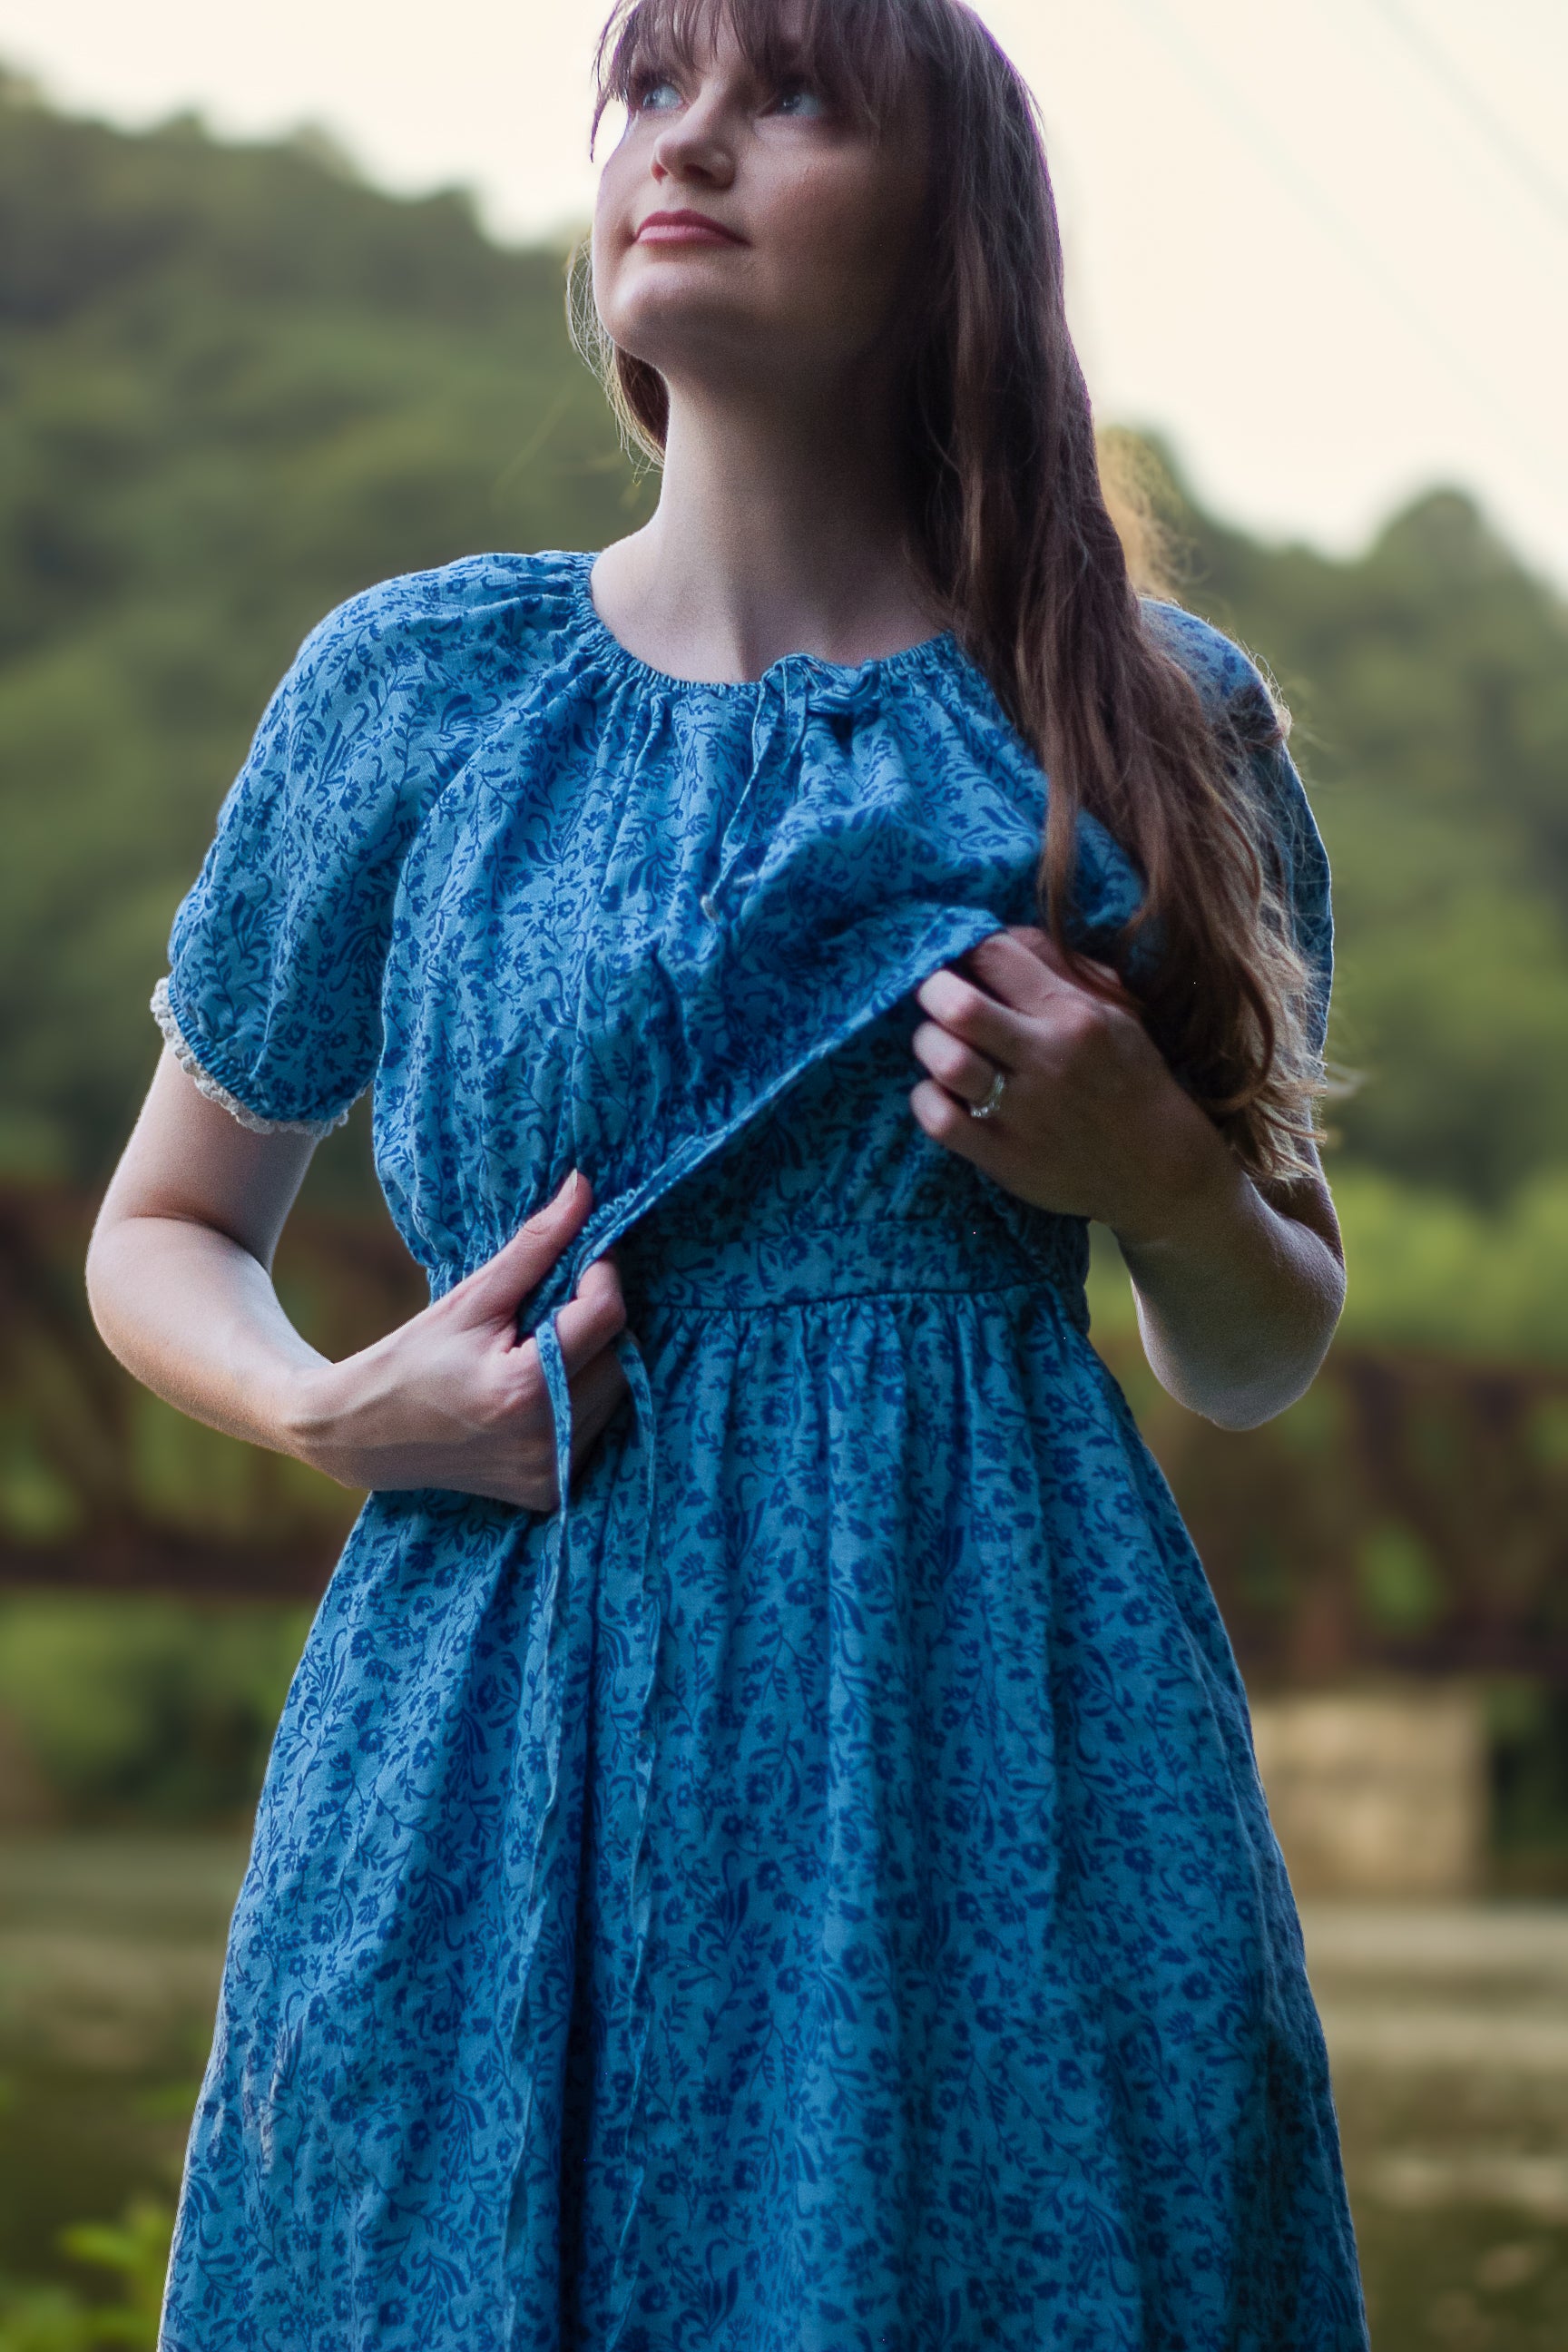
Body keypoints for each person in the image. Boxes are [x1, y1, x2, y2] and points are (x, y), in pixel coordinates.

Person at [84, 0, 1370, 2343]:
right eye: (650, 91)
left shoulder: (1144, 716)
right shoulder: (414, 694)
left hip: (989, 1751)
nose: (683, 146)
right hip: (496, 1735)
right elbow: (163, 1231)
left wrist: (1161, 1173)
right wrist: (332, 1406)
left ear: (953, 228)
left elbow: (1266, 1342)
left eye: (786, 97)